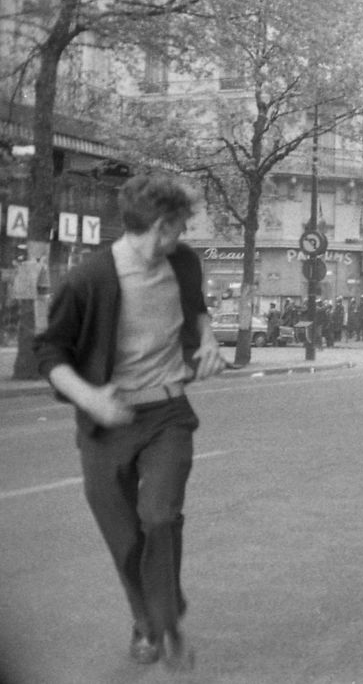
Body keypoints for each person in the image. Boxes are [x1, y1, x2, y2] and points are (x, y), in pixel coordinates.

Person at [33, 174, 226, 670]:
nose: (183, 237)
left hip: (167, 414)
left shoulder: (183, 263)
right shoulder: (88, 278)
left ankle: (163, 621)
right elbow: (50, 352)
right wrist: (91, 400)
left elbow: (197, 312)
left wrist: (208, 341)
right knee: (125, 537)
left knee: (160, 515)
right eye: (180, 226)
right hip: (107, 422)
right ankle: (147, 619)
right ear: (161, 227)